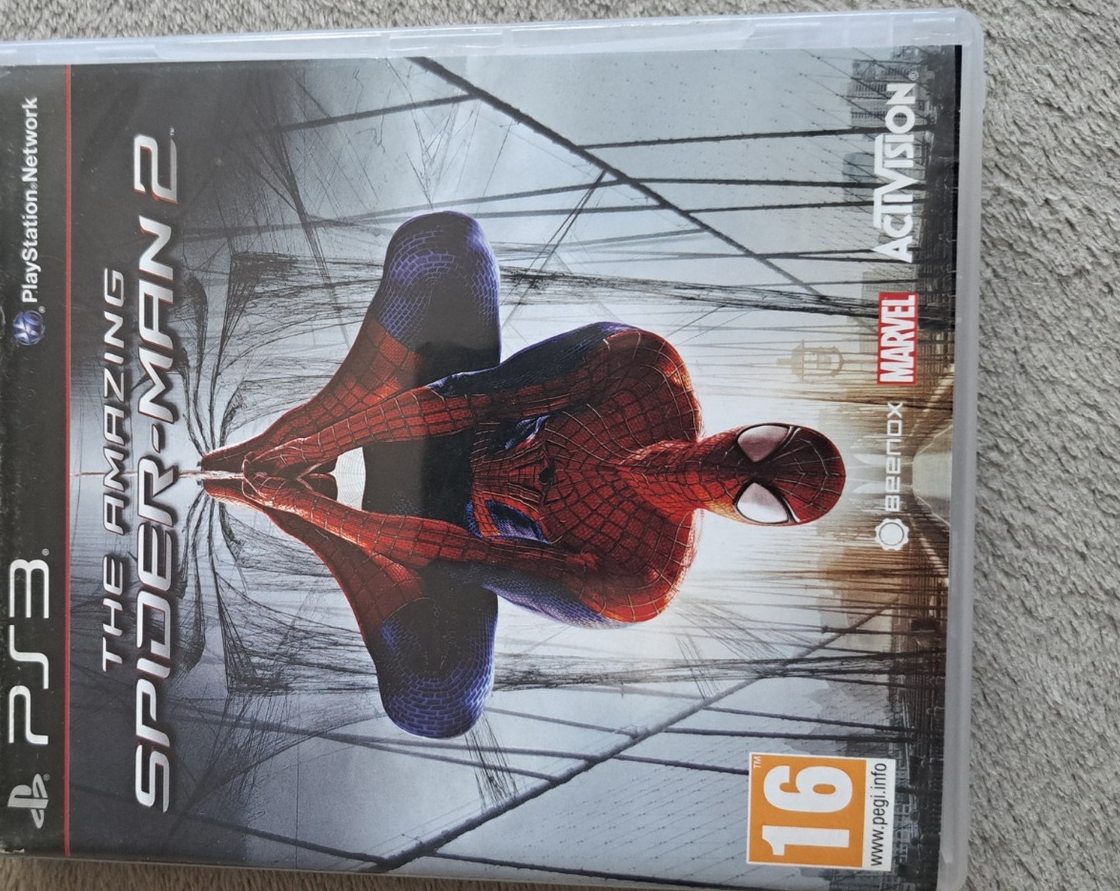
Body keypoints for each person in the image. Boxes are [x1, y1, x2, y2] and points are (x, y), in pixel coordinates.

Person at [202, 212, 845, 738]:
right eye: (760, 446)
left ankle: (290, 505)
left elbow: (472, 559)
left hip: (449, 538)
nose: (724, 468)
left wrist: (314, 512)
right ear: (758, 426)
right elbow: (480, 396)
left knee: (438, 702)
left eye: (756, 494)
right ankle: (279, 450)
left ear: (749, 517)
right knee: (445, 246)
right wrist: (319, 439)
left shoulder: (643, 583)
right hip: (451, 423)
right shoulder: (645, 368)